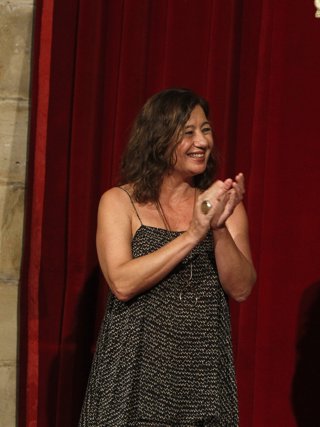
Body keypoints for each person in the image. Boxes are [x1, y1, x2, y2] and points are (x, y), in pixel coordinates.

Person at [79, 88, 256, 426]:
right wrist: (193, 234)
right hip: (132, 372)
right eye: (187, 132)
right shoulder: (119, 202)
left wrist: (217, 228)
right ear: (157, 138)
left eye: (205, 130)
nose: (202, 141)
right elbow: (122, 283)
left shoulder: (223, 206)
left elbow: (242, 288)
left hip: (200, 377)